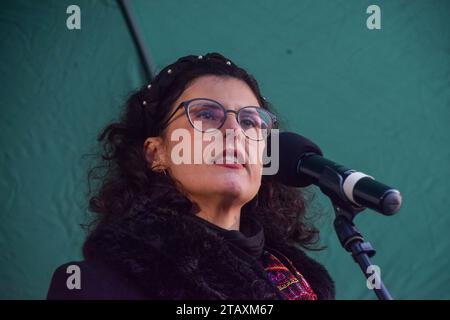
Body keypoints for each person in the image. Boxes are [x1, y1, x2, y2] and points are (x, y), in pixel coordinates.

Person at [47, 52, 335, 300]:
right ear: (155, 153)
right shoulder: (94, 287)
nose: (235, 131)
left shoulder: (302, 283)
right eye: (206, 115)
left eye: (250, 121)